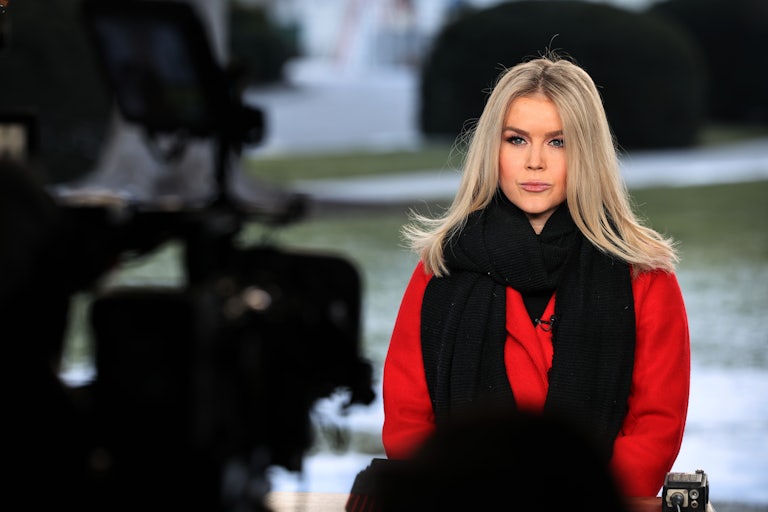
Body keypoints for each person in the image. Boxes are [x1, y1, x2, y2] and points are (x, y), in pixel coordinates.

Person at [381, 53, 690, 498]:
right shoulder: (441, 267)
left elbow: (655, 426)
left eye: (558, 142)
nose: (535, 162)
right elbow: (409, 420)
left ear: (587, 151)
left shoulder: (643, 275)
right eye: (517, 139)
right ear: (493, 148)